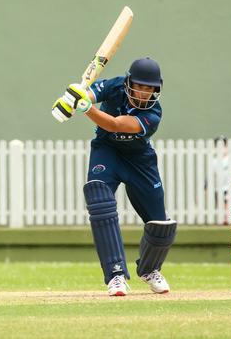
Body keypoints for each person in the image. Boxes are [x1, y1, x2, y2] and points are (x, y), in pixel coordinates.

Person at [52, 57, 177, 296]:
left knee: (162, 225)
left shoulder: (153, 115)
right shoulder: (115, 85)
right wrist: (75, 96)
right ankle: (116, 275)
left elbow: (116, 124)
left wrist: (87, 109)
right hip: (107, 151)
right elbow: (91, 93)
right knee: (98, 195)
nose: (143, 92)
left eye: (149, 88)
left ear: (156, 90)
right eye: (139, 86)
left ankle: (150, 269)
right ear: (130, 82)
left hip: (139, 160)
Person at [209, 135, 231, 224]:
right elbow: (211, 175)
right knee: (220, 206)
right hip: (218, 188)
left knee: (227, 205)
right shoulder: (214, 161)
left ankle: (227, 220)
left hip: (228, 188)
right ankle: (223, 221)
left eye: (223, 146)